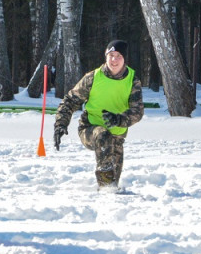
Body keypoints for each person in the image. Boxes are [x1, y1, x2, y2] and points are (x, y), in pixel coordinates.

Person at [53, 39, 145, 189]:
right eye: (111, 55)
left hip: (117, 134)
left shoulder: (132, 80)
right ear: (105, 56)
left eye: (119, 56)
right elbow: (70, 100)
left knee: (114, 179)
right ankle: (105, 188)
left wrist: (118, 119)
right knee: (103, 136)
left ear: (124, 59)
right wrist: (60, 124)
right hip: (90, 129)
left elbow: (137, 111)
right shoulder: (93, 78)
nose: (114, 60)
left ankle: (110, 195)